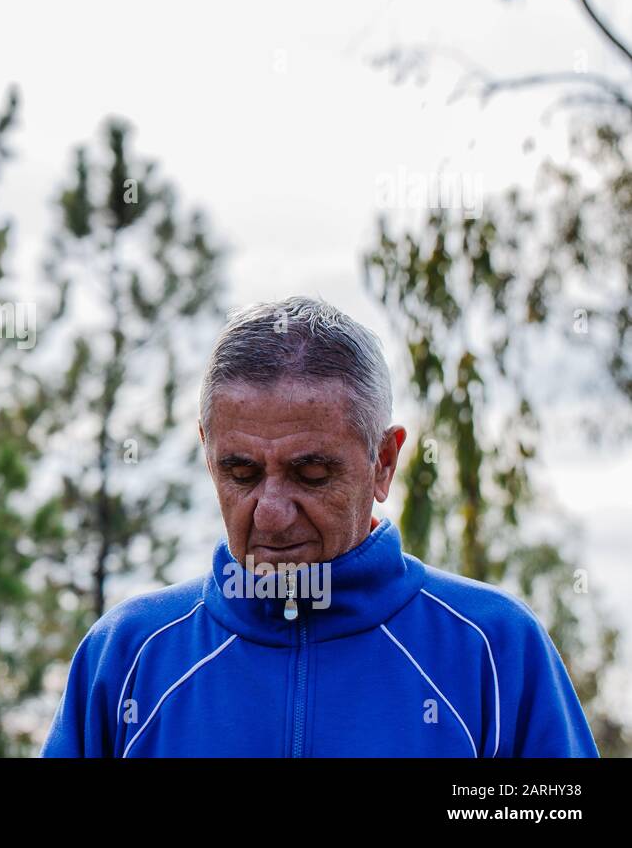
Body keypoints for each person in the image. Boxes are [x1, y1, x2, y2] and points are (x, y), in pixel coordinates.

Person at [40, 295, 599, 757]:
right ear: (207, 454)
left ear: (384, 461)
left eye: (310, 473)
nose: (271, 512)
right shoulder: (126, 657)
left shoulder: (495, 650)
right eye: (241, 473)